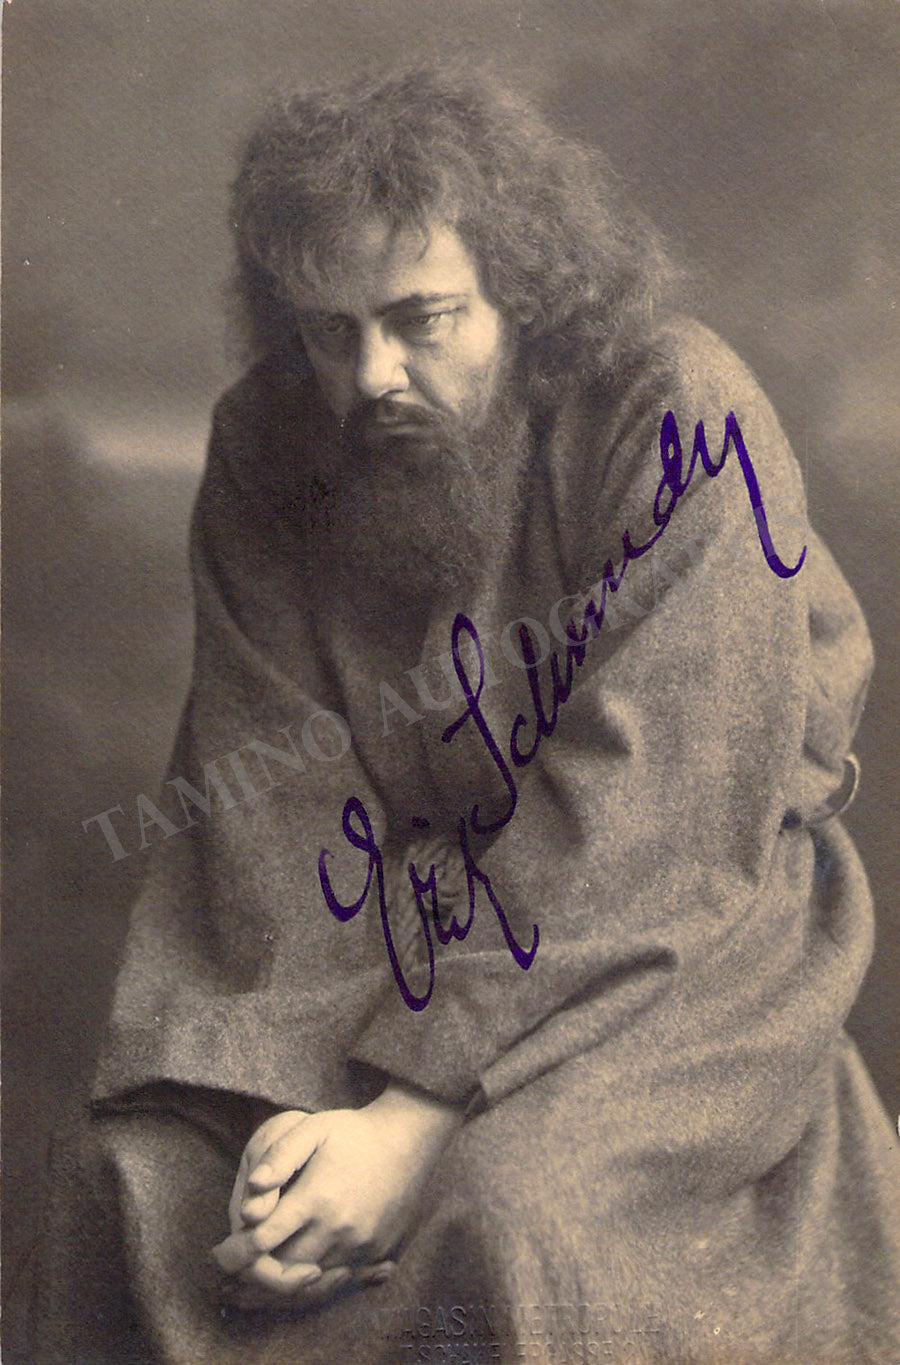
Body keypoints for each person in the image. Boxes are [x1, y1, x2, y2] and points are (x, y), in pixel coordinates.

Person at [35, 64, 900, 1364]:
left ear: (526, 290)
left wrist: (408, 1117)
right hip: (382, 930)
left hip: (678, 918)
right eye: (330, 331)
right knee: (139, 1176)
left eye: (422, 319)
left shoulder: (676, 408)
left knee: (513, 1212)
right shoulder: (270, 440)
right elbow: (271, 802)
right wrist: (291, 1121)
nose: (373, 372)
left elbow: (658, 812)